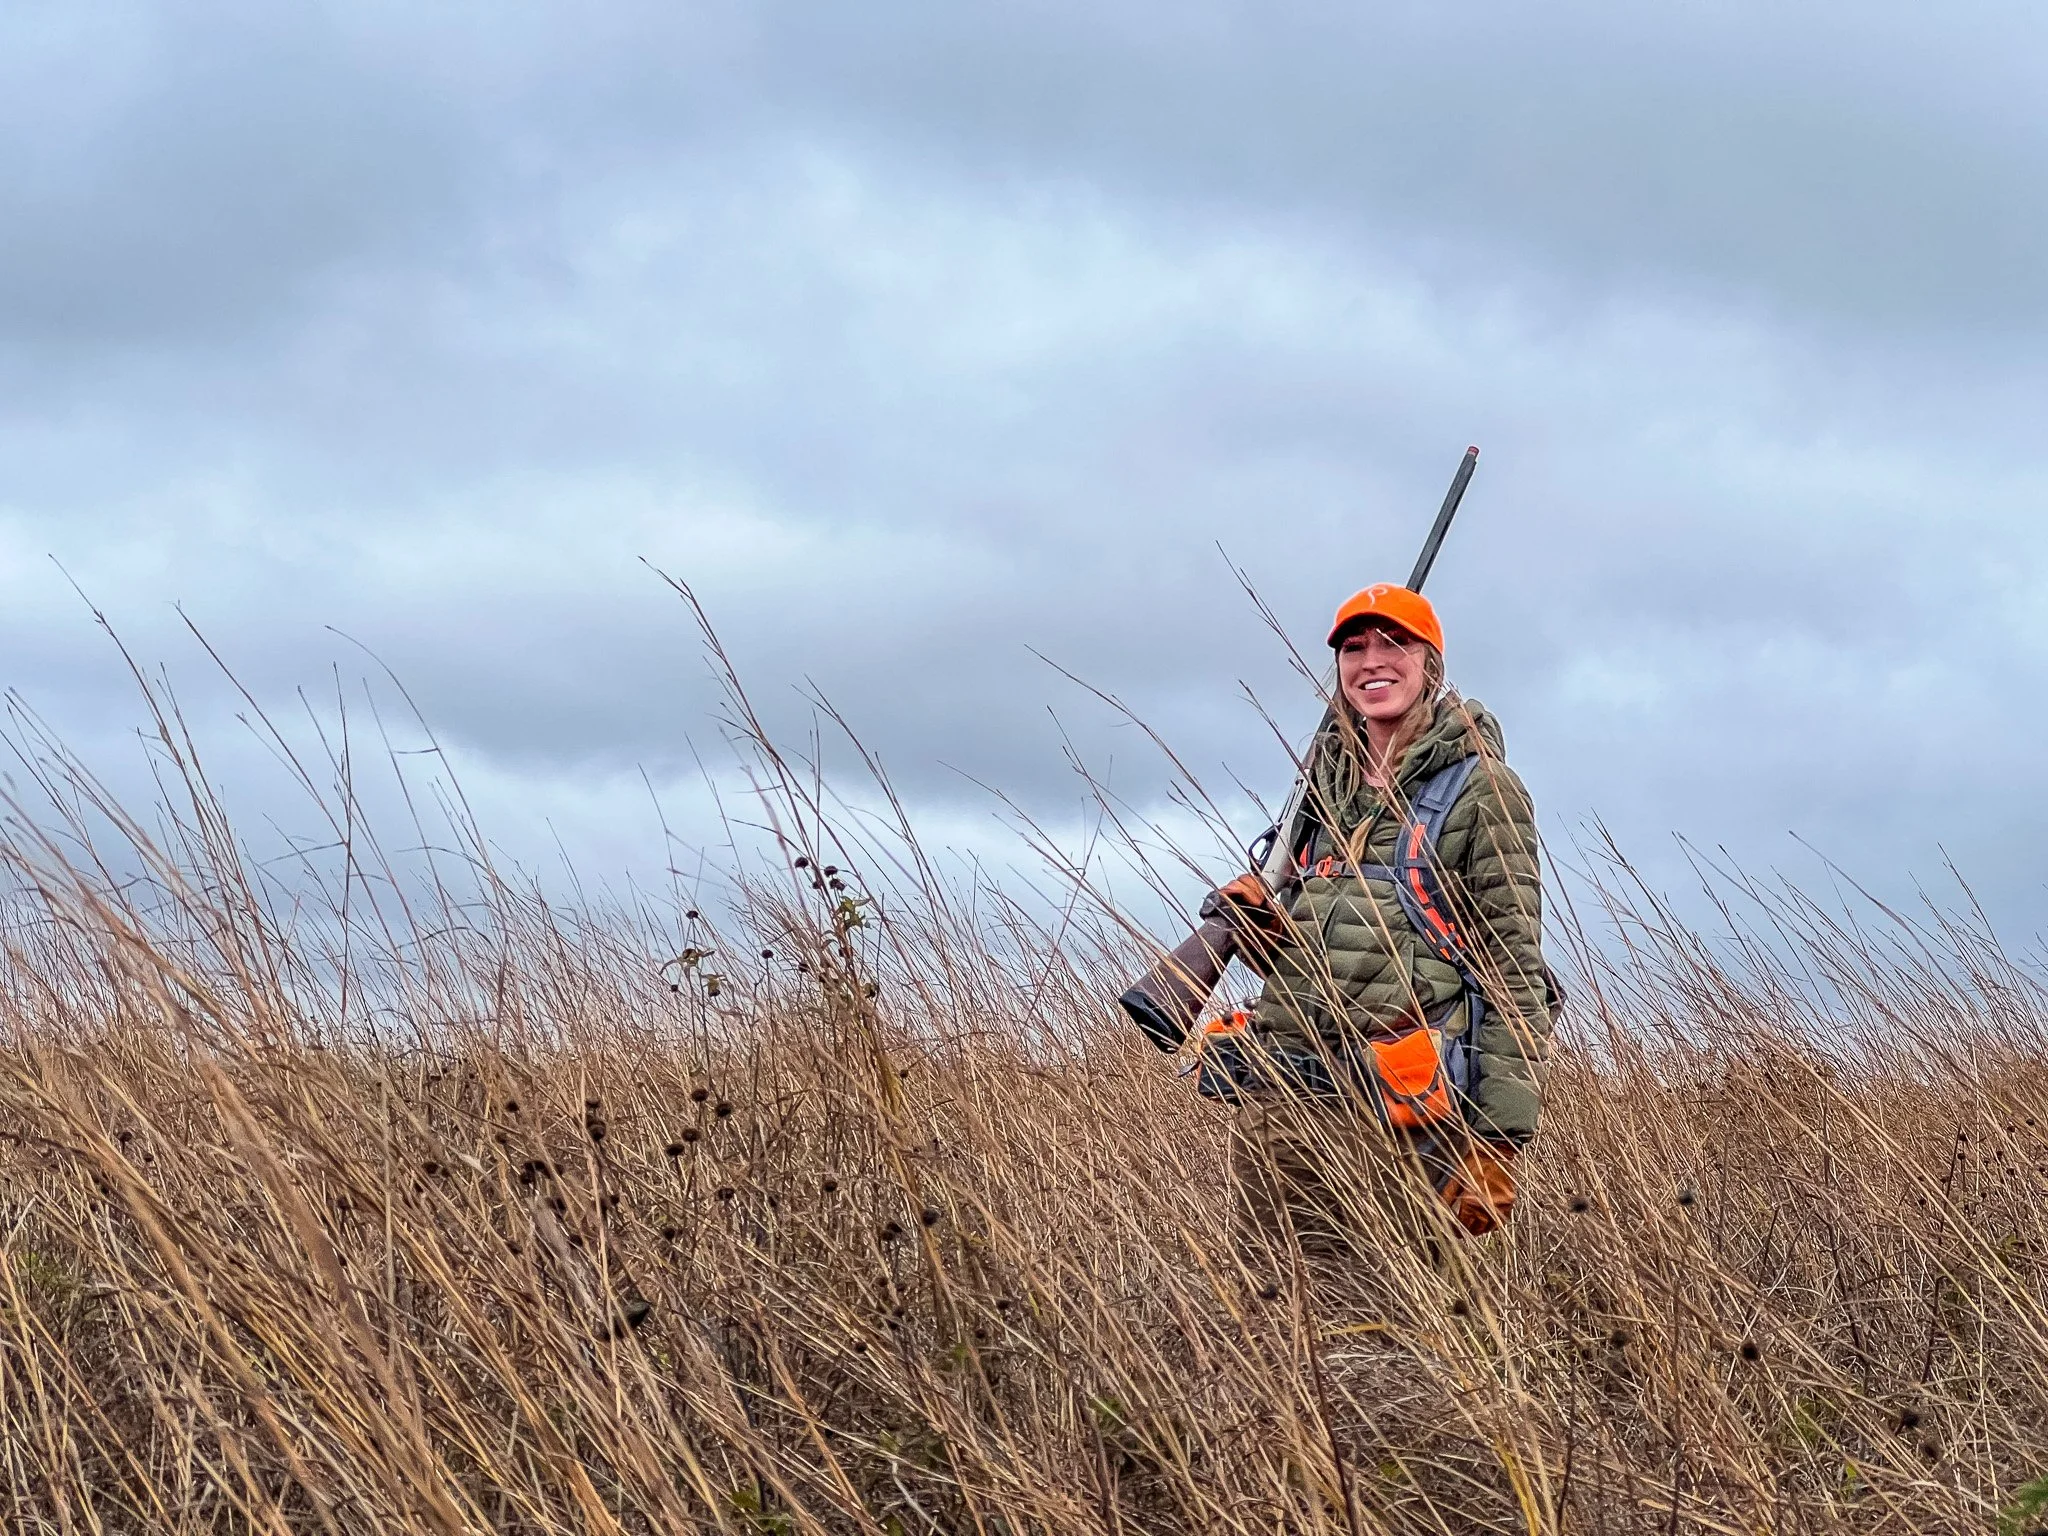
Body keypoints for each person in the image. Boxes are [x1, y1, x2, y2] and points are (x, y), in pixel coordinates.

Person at [1212, 582, 1555, 1279]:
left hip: (1398, 1115)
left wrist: (1500, 1137)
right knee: (1270, 1315)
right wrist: (1259, 927)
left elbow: (1513, 966)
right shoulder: (1324, 788)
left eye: (1395, 643)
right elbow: (1339, 938)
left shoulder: (1482, 788)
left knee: (1387, 1335)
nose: (1373, 660)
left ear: (1431, 663)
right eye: (1354, 647)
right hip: (1280, 1101)